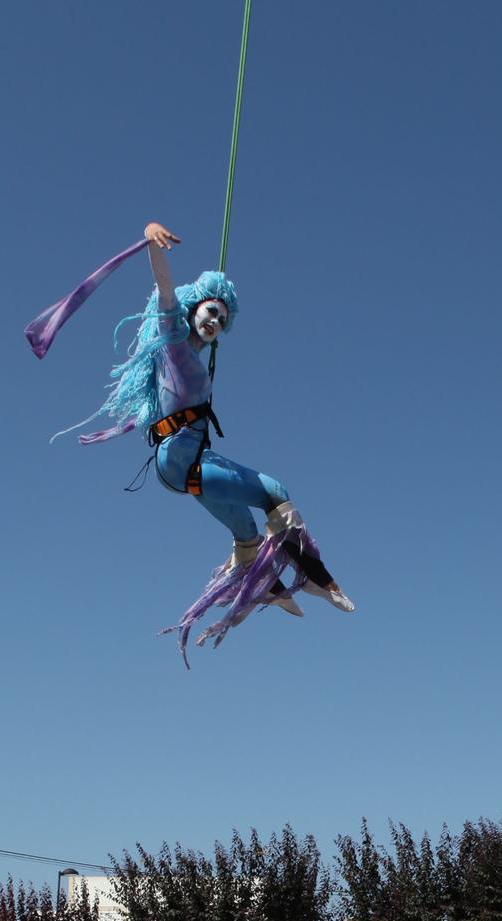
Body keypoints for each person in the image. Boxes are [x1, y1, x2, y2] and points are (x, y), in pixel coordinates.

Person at [25, 221, 353, 659]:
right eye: (210, 311)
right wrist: (150, 239)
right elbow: (164, 290)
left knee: (247, 532)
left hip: (187, 463)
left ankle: (265, 587)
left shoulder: (193, 354)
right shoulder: (174, 339)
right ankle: (313, 575)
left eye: (222, 317)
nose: (215, 320)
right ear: (194, 307)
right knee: (275, 491)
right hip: (181, 460)